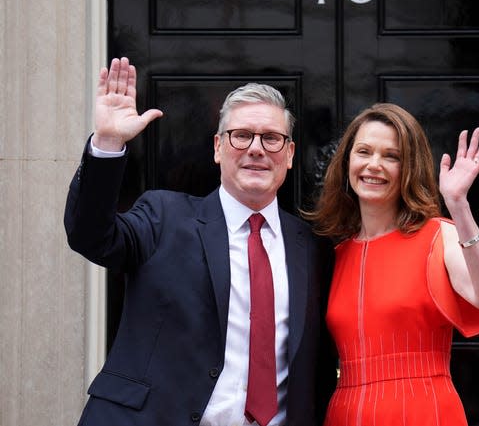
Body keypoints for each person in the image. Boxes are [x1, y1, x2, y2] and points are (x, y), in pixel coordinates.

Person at [64, 57, 336, 426]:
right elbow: (90, 235)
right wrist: (108, 143)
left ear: (289, 155)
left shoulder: (313, 247)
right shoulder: (163, 216)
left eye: (271, 138)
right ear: (218, 148)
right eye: (241, 135)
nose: (257, 149)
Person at [304, 103, 479, 426]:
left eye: (391, 156)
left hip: (422, 410)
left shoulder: (437, 236)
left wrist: (458, 206)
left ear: (409, 167)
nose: (374, 165)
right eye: (364, 152)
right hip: (345, 412)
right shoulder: (336, 254)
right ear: (347, 162)